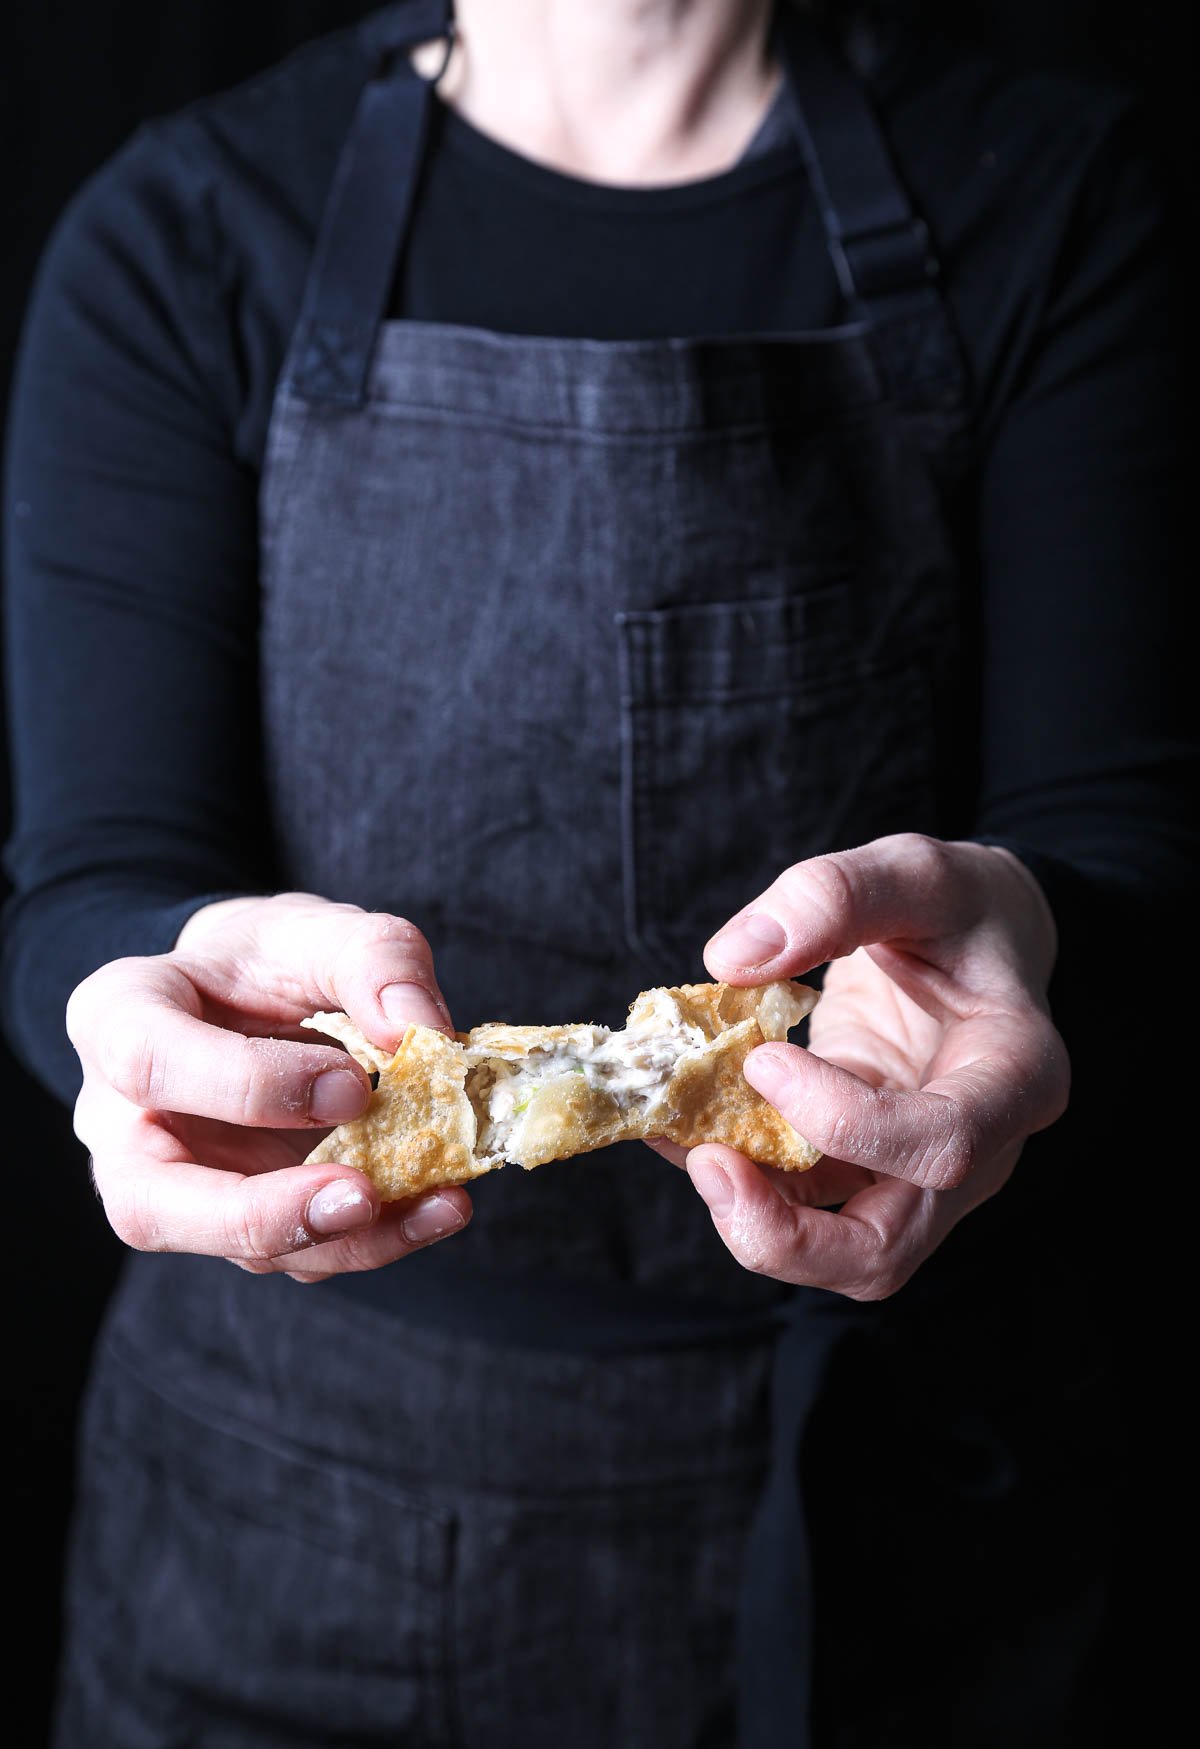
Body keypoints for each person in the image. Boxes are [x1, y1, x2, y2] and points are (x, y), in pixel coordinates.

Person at [2, 0, 1186, 1742]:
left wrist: (1042, 938)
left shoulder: (1046, 190)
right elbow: (91, 880)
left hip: (895, 1508)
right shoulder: (189, 227)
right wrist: (122, 1003)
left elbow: (1132, 841)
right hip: (292, 1522)